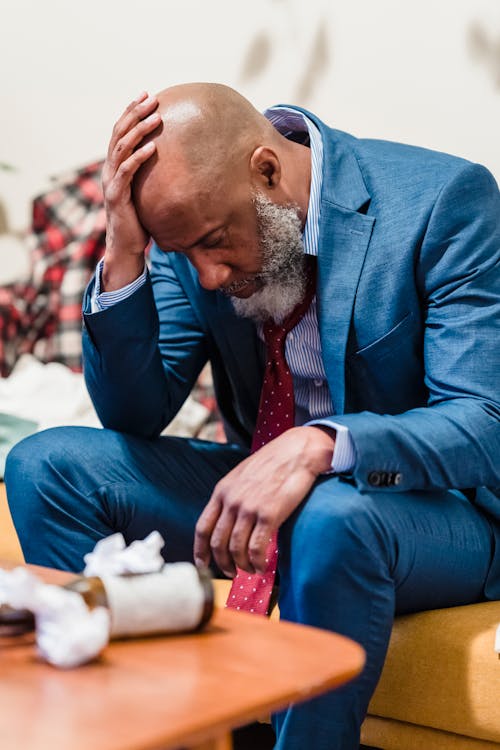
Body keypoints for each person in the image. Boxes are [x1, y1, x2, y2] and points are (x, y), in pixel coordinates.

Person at [5, 83, 500, 750]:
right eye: (185, 255)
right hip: (269, 499)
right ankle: (143, 731)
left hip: (427, 510)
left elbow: (483, 421)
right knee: (46, 466)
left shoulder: (444, 202)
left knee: (331, 516)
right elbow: (135, 411)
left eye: (214, 242)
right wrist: (125, 252)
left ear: (267, 169)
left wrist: (321, 445)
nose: (207, 276)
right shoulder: (195, 243)